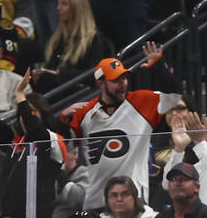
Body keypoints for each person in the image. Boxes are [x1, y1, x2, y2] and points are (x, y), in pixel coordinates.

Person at [63, 55, 181, 208]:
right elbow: (67, 145)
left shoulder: (143, 102)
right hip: (97, 201)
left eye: (124, 78)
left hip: (134, 200)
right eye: (116, 80)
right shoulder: (83, 112)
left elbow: (174, 95)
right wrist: (62, 120)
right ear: (101, 84)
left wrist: (158, 67)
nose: (123, 83)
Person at [35, 0, 112, 93]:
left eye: (64, 4)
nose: (58, 8)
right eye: (58, 3)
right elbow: (51, 67)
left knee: (45, 78)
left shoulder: (95, 40)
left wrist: (59, 73)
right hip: (56, 86)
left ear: (77, 8)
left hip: (79, 90)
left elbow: (93, 74)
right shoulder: (59, 38)